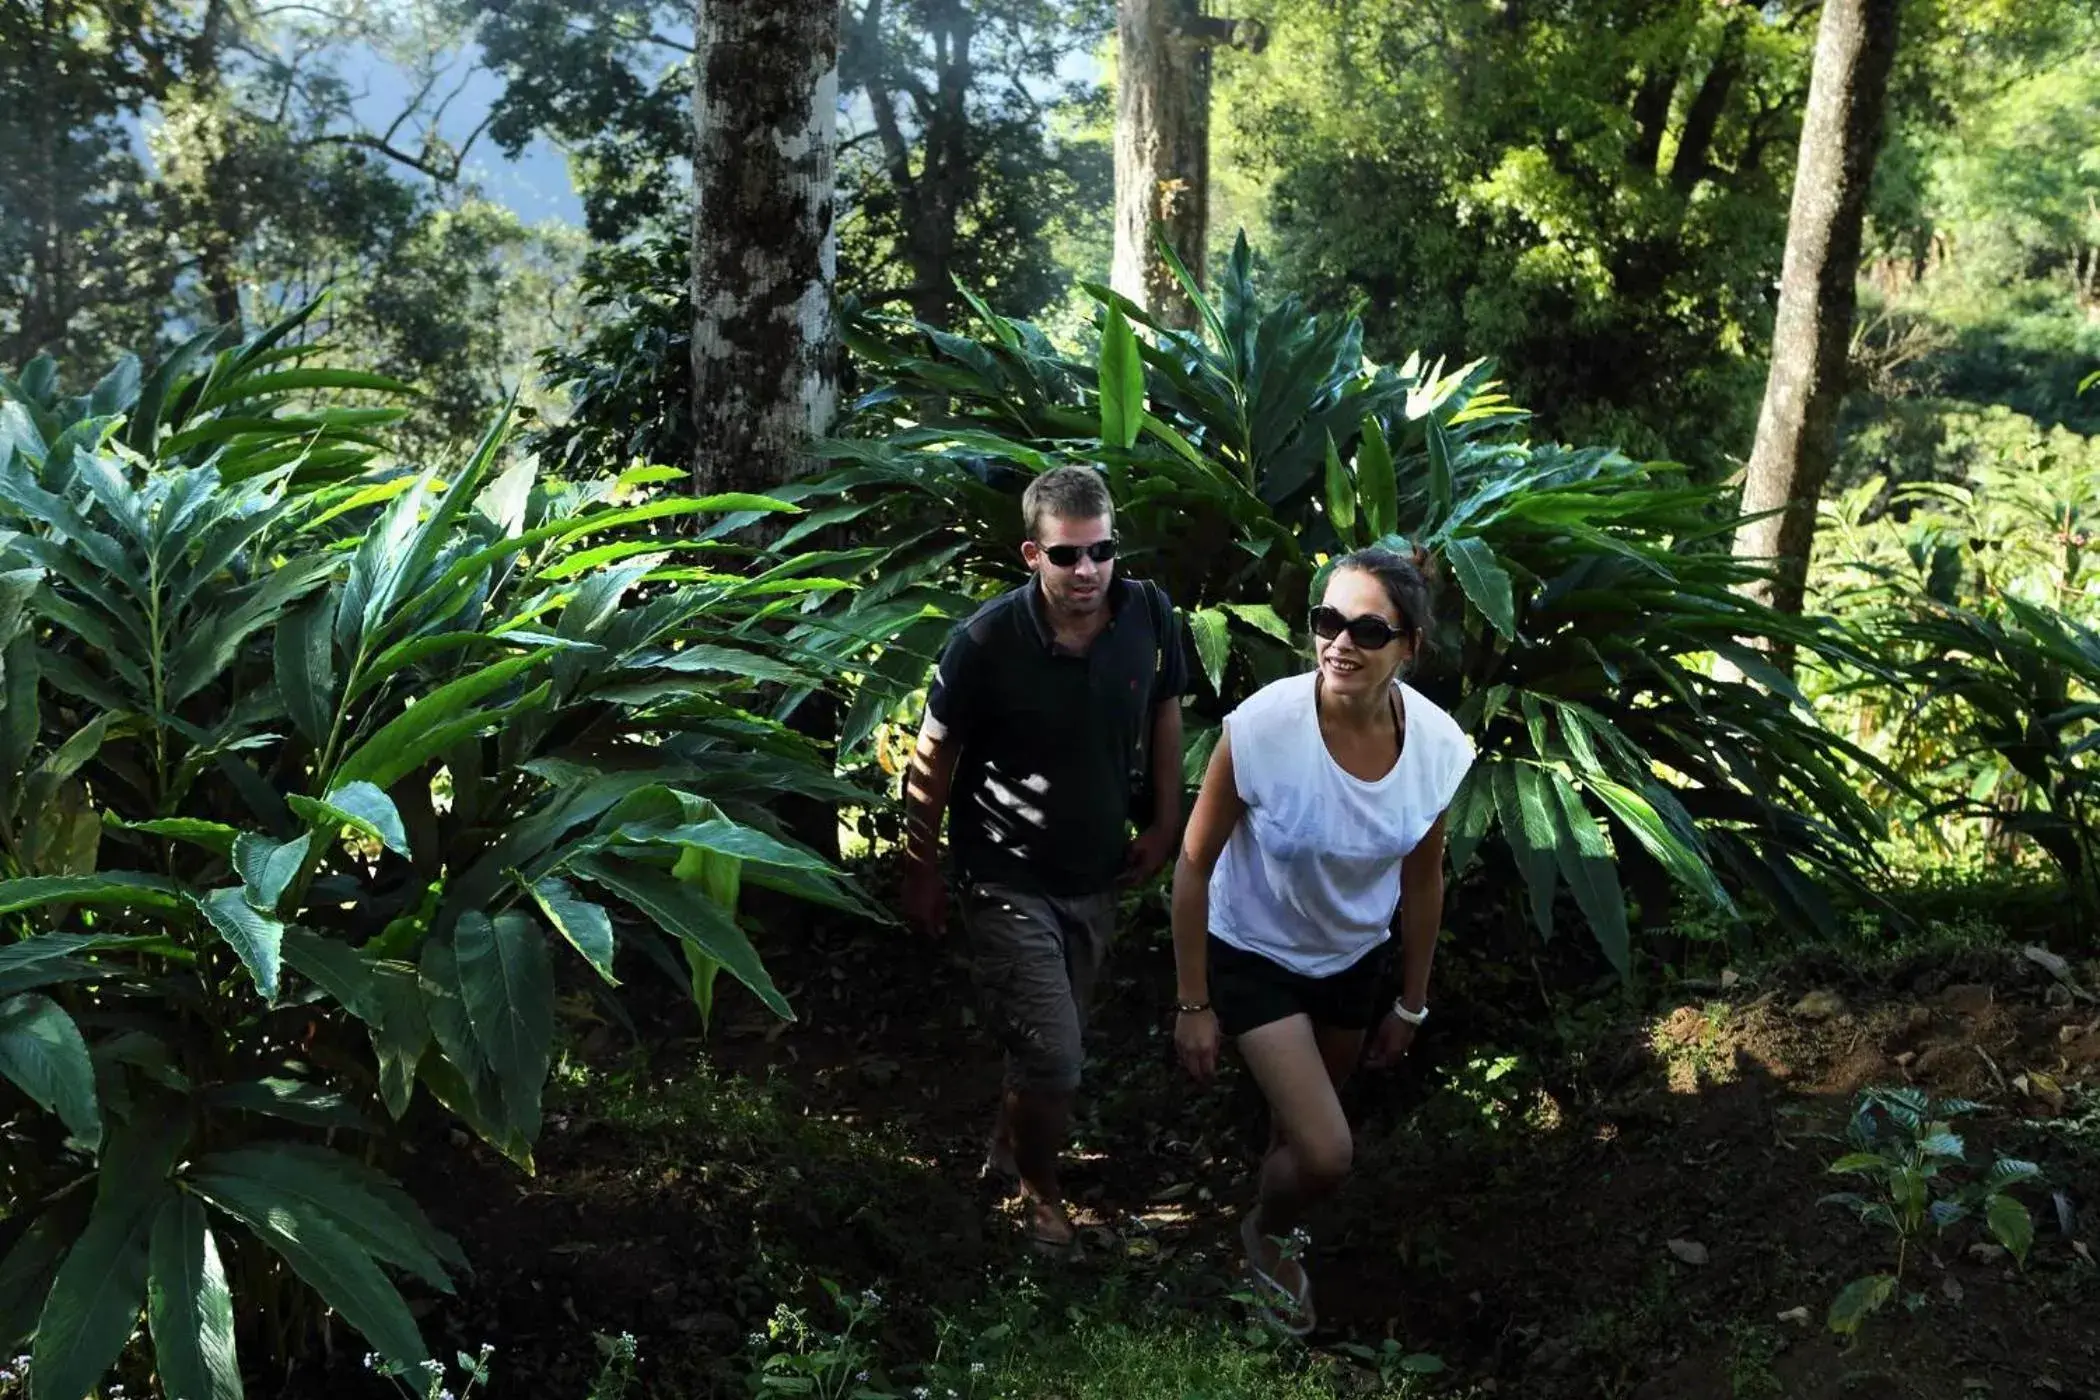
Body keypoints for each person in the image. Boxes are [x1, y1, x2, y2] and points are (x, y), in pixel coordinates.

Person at [1168, 545, 1473, 1335]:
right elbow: (1195, 865)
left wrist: (1411, 1004)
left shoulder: (1437, 749)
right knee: (1329, 1150)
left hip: (1352, 960)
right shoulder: (1264, 726)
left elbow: (1423, 881)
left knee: (1297, 1140)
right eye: (1327, 621)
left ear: (1410, 646)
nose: (1340, 643)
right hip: (1254, 953)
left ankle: (1264, 1248)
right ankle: (1263, 1239)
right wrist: (1193, 1001)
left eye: (1368, 630)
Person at [901, 465, 1187, 1251]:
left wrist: (1166, 822)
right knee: (1058, 1057)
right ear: (1032, 554)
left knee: (1048, 1035)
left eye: (1101, 552)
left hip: (1098, 872)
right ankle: (1041, 1193)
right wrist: (918, 865)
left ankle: (1007, 1146)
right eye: (1067, 556)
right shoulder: (986, 641)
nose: (1087, 570)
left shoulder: (1149, 616)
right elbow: (933, 755)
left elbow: (1166, 712)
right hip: (1004, 874)